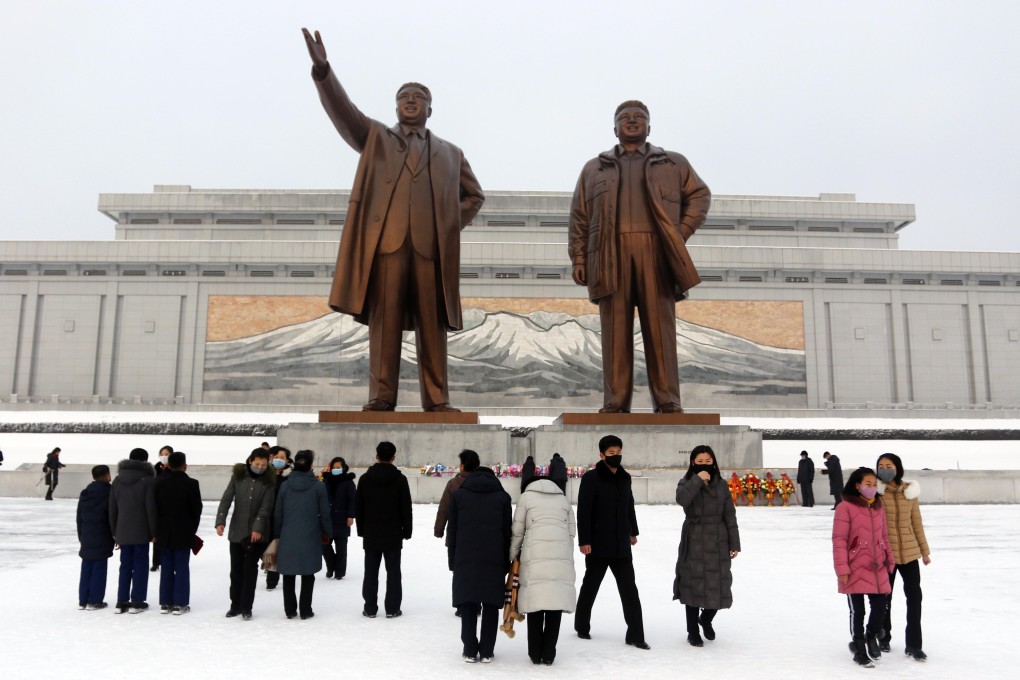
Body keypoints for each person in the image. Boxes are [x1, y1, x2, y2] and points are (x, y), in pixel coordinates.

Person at [301, 28, 485, 412]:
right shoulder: (375, 138)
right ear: (396, 106)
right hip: (387, 246)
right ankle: (382, 396)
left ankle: (437, 399)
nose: (411, 101)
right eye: (404, 97)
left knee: (432, 326)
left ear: (430, 109)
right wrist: (323, 71)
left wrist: (448, 224)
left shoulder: (451, 153)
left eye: (419, 98)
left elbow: (474, 196)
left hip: (430, 251)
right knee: (384, 325)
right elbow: (344, 113)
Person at [568, 100, 711, 413]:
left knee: (660, 328)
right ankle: (615, 401)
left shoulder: (672, 163)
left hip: (656, 253)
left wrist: (680, 232)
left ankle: (668, 400)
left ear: (650, 126)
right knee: (614, 331)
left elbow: (699, 196)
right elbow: (580, 216)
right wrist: (579, 259)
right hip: (609, 255)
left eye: (639, 117)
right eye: (624, 118)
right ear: (615, 127)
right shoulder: (595, 168)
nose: (632, 121)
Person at [574, 435, 648, 649]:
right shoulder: (591, 478)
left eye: (619, 452)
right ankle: (582, 625)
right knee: (591, 586)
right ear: (602, 455)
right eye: (611, 453)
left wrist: (633, 531)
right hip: (597, 545)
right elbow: (584, 512)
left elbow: (629, 506)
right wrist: (584, 540)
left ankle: (636, 634)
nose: (616, 456)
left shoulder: (625, 477)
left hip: (621, 544)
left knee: (629, 590)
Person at [672, 445, 741, 647]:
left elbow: (730, 514)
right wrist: (698, 479)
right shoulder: (686, 482)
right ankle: (692, 631)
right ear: (693, 463)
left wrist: (734, 542)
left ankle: (706, 619)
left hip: (718, 540)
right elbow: (682, 499)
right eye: (700, 462)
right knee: (692, 586)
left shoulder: (721, 485)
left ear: (714, 462)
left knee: (719, 584)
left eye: (708, 461)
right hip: (694, 539)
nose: (705, 465)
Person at [447, 455, 512, 663]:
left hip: (465, 555)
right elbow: (507, 533)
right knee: (491, 603)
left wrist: (452, 560)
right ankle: (486, 650)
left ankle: (468, 648)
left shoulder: (459, 496)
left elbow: (453, 531)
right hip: (494, 556)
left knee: (467, 601)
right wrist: (506, 562)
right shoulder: (503, 497)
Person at [510, 472, 577, 665]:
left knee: (535, 603)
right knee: (555, 604)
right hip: (560, 554)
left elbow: (517, 530)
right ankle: (549, 654)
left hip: (534, 554)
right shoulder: (563, 499)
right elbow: (572, 531)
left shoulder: (526, 497)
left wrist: (513, 556)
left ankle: (534, 653)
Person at [832, 467, 895, 668]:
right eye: (868, 484)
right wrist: (842, 568)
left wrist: (890, 559)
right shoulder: (845, 507)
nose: (872, 488)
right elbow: (839, 540)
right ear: (858, 486)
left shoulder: (878, 506)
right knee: (857, 611)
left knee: (880, 607)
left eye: (875, 484)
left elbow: (885, 536)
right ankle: (859, 648)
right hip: (854, 566)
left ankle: (871, 635)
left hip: (877, 566)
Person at [876, 453, 931, 661]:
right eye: (880, 466)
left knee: (915, 598)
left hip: (909, 553)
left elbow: (916, 523)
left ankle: (914, 645)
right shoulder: (876, 492)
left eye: (888, 465)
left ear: (897, 468)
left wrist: (924, 551)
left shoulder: (910, 492)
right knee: (884, 599)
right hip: (885, 555)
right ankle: (883, 636)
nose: (884, 469)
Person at [216, 448, 277, 620]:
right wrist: (220, 521)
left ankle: (246, 607)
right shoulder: (238, 476)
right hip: (237, 532)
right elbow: (226, 499)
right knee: (236, 571)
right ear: (250, 461)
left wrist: (257, 528)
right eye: (257, 463)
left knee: (249, 570)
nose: (260, 467)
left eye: (263, 465)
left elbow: (266, 508)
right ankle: (234, 605)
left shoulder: (269, 482)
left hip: (256, 535)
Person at [356, 441, 413, 618]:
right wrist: (407, 530)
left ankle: (370, 608)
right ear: (394, 457)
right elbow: (406, 507)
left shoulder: (365, 479)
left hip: (371, 531)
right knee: (394, 572)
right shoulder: (400, 479)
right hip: (393, 532)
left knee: (370, 572)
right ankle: (392, 608)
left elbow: (360, 507)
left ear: (377, 456)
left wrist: (361, 529)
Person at [273, 450, 332, 620]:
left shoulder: (285, 485)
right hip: (310, 534)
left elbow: (278, 513)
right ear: (311, 465)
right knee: (308, 573)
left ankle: (290, 610)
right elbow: (325, 513)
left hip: (287, 534)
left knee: (288, 574)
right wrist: (327, 532)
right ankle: (305, 610)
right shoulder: (318, 486)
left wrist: (277, 534)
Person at [109, 448, 157, 614]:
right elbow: (150, 508)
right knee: (141, 566)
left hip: (122, 530)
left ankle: (121, 601)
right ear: (144, 461)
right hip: (141, 530)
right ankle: (137, 601)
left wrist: (114, 530)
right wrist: (153, 531)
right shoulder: (147, 480)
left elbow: (112, 508)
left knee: (125, 566)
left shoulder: (117, 480)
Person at [154, 452, 202, 615]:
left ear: (168, 465)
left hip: (164, 531)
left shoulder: (159, 483)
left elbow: (155, 509)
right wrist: (192, 529)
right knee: (181, 567)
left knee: (166, 566)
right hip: (184, 531)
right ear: (185, 465)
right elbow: (197, 509)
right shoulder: (192, 484)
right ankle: (180, 603)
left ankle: (165, 602)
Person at [76, 465, 114, 611]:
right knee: (99, 567)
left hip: (86, 534)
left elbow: (79, 517)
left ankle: (83, 600)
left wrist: (81, 535)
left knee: (86, 567)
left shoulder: (85, 493)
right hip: (102, 534)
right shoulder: (109, 492)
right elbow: (111, 515)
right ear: (107, 476)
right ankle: (95, 600)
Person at [322, 456, 356, 580]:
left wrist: (351, 516)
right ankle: (331, 567)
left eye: (338, 467)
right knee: (324, 545)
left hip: (342, 519)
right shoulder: (325, 481)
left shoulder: (348, 482)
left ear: (343, 468)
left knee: (341, 548)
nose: (336, 469)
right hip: (327, 519)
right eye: (334, 467)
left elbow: (353, 500)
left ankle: (339, 572)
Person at [265, 446, 293, 591]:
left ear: (287, 460)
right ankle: (268, 566)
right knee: (264, 547)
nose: (279, 460)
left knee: (274, 547)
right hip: (264, 516)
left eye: (282, 458)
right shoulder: (264, 474)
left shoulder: (291, 476)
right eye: (276, 457)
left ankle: (272, 579)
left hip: (283, 518)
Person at [434, 450, 474, 543]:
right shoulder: (482, 483)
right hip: (477, 536)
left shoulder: (453, 483)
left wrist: (439, 530)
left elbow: (444, 508)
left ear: (462, 466)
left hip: (455, 535)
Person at [151, 445, 173, 573]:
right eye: (162, 454)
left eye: (167, 454)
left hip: (169, 506)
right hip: (156, 505)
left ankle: (168, 559)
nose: (164, 456)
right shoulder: (155, 469)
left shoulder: (174, 468)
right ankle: (156, 562)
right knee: (156, 536)